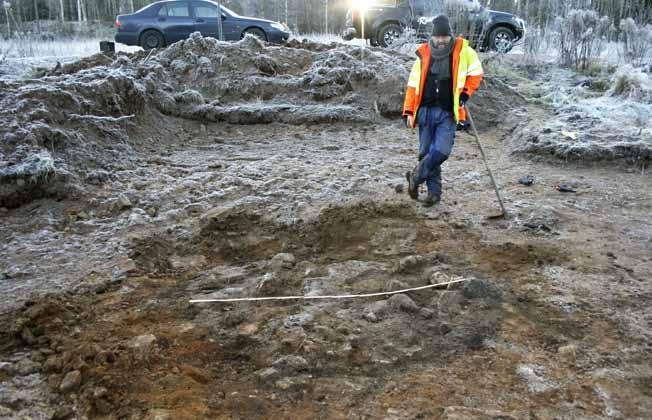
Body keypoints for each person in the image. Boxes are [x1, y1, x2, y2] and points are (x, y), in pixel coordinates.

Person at [402, 14, 484, 206]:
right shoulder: (423, 54)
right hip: (425, 111)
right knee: (425, 153)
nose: (440, 40)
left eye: (444, 37)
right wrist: (408, 111)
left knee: (441, 151)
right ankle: (434, 194)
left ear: (450, 35)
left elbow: (476, 74)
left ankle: (415, 176)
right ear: (432, 36)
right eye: (437, 37)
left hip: (448, 112)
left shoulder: (464, 51)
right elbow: (413, 86)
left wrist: (465, 93)